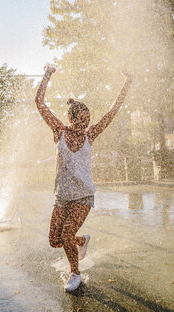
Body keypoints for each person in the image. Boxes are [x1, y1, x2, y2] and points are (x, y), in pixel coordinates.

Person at [35, 66, 132, 292]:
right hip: (62, 195)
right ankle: (82, 241)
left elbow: (113, 110)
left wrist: (127, 82)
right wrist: (47, 75)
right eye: (80, 120)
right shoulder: (59, 131)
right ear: (70, 118)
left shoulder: (91, 134)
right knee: (55, 240)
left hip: (83, 195)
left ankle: (75, 274)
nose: (85, 124)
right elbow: (39, 103)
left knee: (66, 234)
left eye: (88, 120)